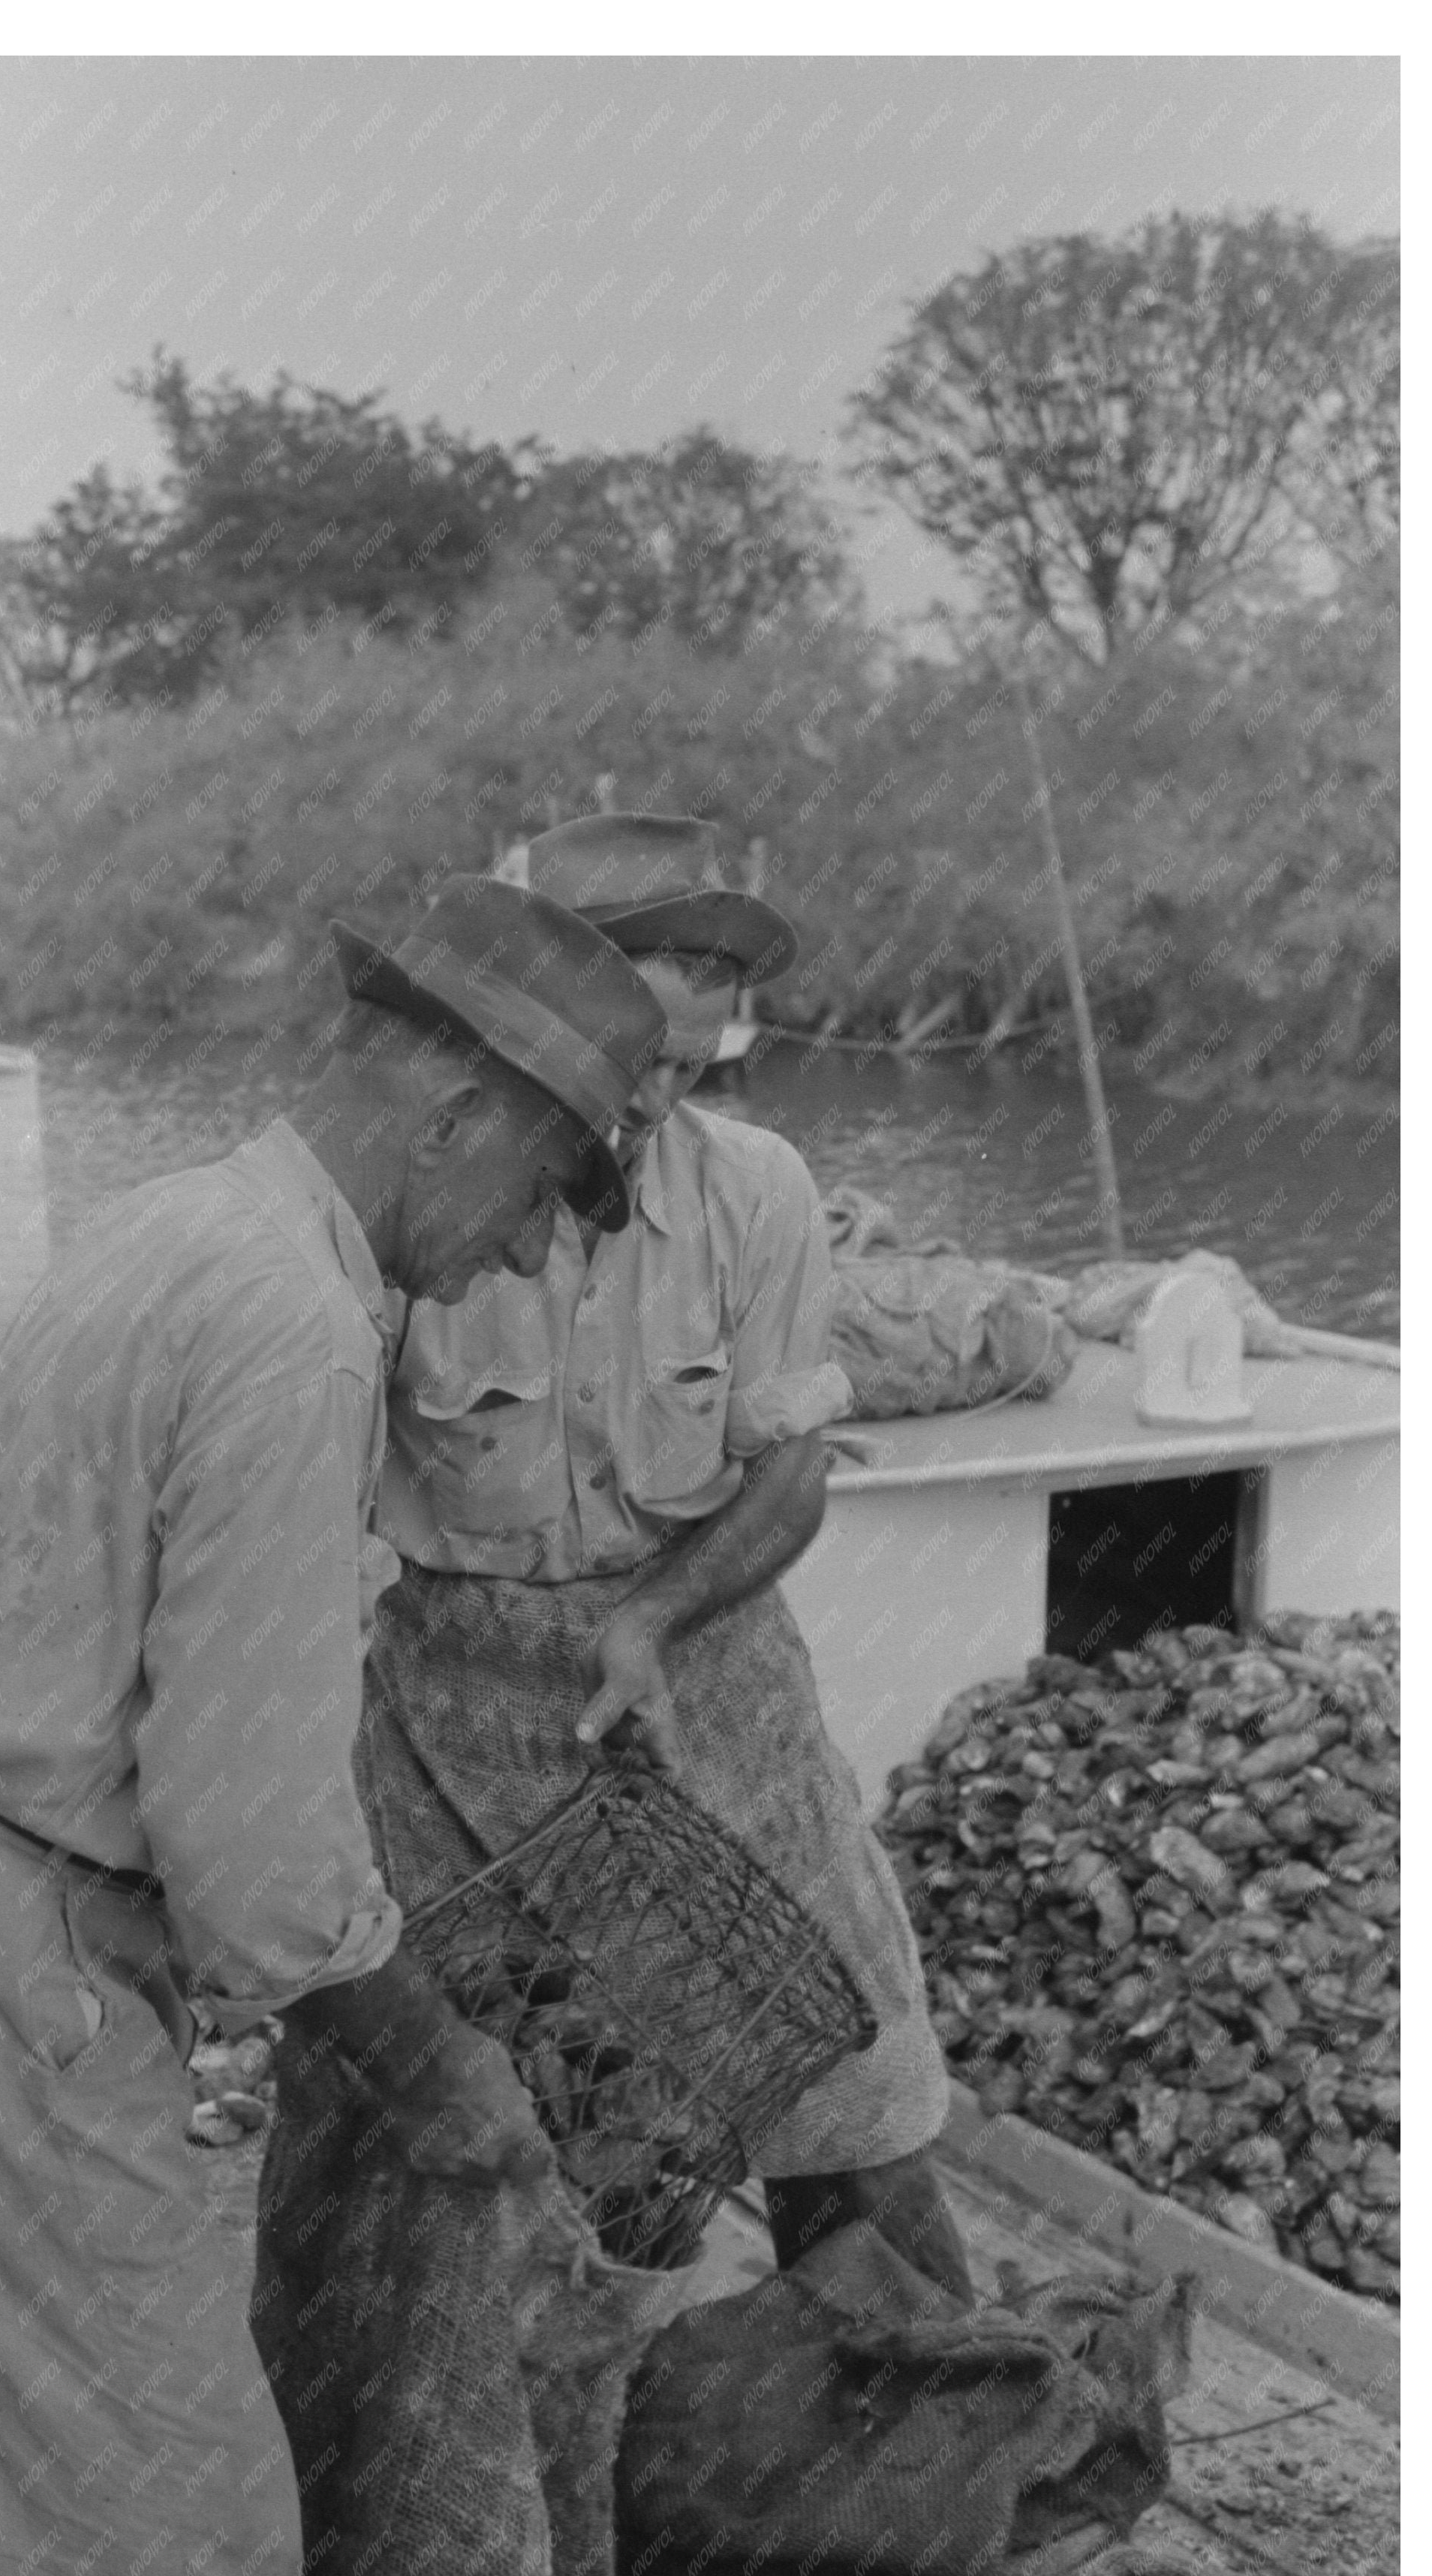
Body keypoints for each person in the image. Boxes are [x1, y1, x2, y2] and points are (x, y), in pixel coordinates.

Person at [0, 875, 669, 2576]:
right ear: (461, 1116)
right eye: (540, 1192)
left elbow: (179, 1679)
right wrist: (460, 2084)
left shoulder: (187, 1218)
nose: (516, 1249)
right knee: (182, 2560)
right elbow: (254, 1854)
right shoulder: (294, 1328)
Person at [366, 817, 971, 2301]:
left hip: (714, 1676)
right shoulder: (404, 1190)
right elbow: (292, 1501)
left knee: (854, 2085)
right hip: (465, 1720)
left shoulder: (758, 1189)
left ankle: (924, 2441)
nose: (652, 1107)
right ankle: (631, 2437)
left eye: (691, 1074)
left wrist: (654, 1615)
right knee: (555, 2133)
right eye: (631, 1067)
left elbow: (792, 1474)